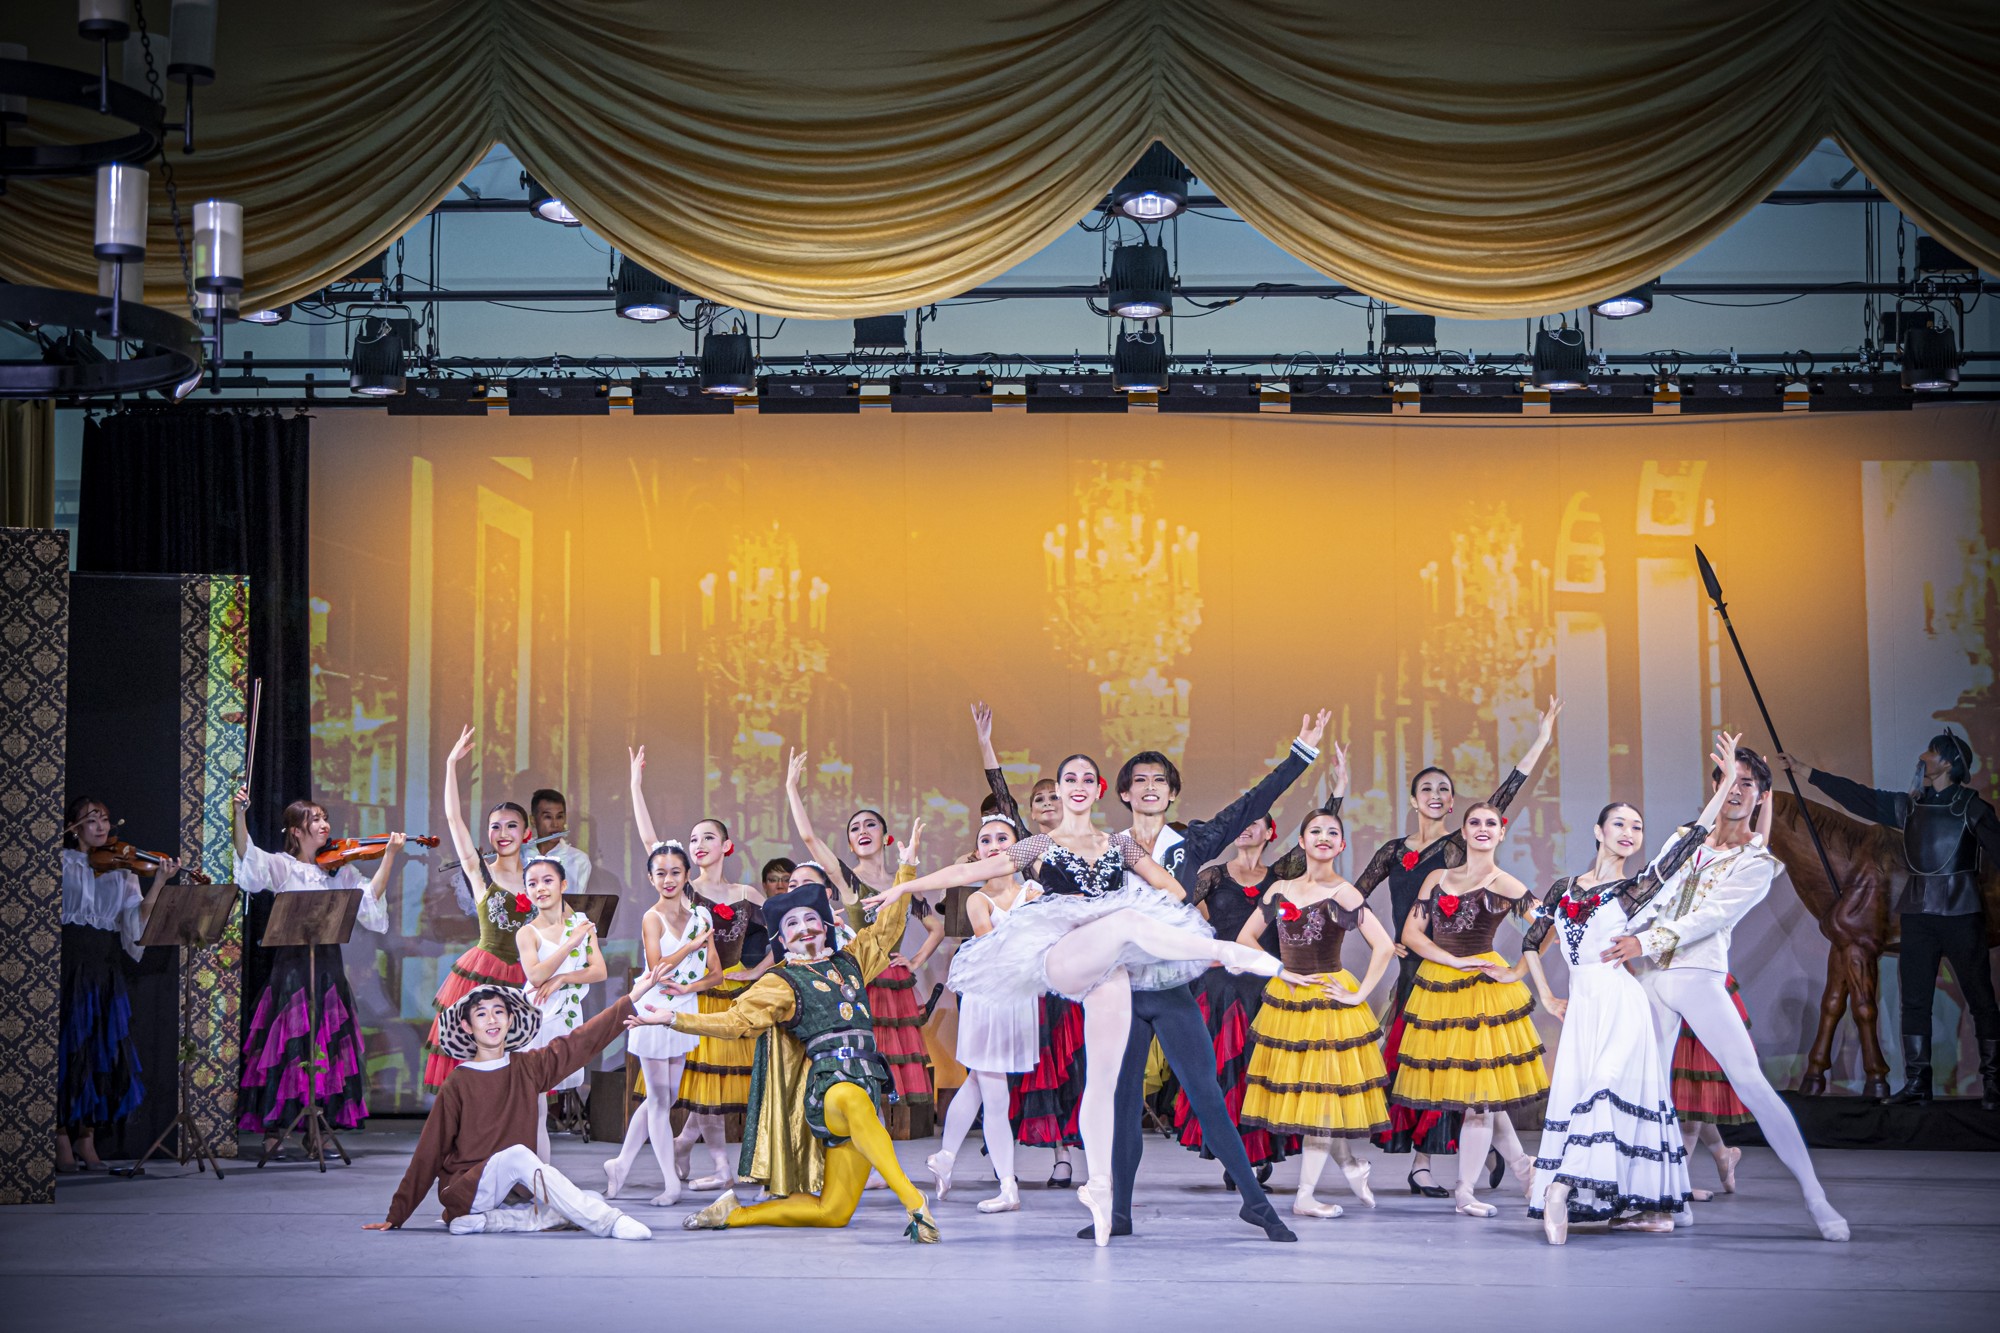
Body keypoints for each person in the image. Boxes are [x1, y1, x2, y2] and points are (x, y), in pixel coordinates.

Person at [863, 753, 1284, 1246]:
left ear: (1098, 789)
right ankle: (1228, 951)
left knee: (1105, 1086)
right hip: (1061, 954)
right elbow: (966, 872)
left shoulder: (1120, 845)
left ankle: (1104, 1194)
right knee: (1124, 923)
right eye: (1069, 778)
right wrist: (905, 886)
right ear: (1060, 789)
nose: (1078, 784)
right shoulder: (1040, 844)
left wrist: (1145, 910)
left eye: (1087, 777)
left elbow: (1171, 889)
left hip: (1114, 968)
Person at [1091, 712, 1333, 1242]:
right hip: (1121, 990)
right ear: (1125, 794)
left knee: (1206, 1094)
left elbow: (1251, 803)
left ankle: (1256, 1204)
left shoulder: (1192, 844)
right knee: (1123, 1105)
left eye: (1159, 780)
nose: (1150, 787)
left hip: (1171, 988)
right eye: (1140, 780)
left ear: (1172, 792)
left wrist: (1300, 753)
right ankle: (1119, 1214)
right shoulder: (1104, 848)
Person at [1608, 744, 1851, 1242]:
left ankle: (1816, 1197)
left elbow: (1710, 916)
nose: (1736, 790)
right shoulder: (1685, 839)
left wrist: (1645, 940)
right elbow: (1655, 891)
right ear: (1714, 787)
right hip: (1652, 979)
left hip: (1698, 977)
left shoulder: (1757, 862)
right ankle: (1669, 1198)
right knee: (1649, 1093)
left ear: (1761, 796)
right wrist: (1619, 930)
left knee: (1752, 1084)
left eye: (1747, 783)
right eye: (1727, 779)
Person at [1324, 697, 1561, 1197]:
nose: (1435, 795)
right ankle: (1459, 1159)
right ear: (1413, 800)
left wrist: (1540, 740)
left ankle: (1461, 1158)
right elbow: (1351, 898)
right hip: (1417, 969)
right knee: (1424, 1068)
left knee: (1461, 1066)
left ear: (1454, 805)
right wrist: (1387, 940)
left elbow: (1505, 797)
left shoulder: (1460, 846)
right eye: (1426, 789)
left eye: (1444, 790)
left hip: (1462, 974)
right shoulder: (1393, 851)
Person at [662, 844, 942, 1241]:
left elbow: (888, 928)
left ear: (826, 925)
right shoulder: (781, 981)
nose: (805, 927)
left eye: (811, 918)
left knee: (832, 1213)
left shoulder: (851, 961)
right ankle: (915, 1203)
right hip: (829, 1087)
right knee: (851, 1100)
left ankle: (734, 1214)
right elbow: (735, 1021)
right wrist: (673, 1019)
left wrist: (907, 867)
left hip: (866, 1080)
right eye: (793, 924)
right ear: (781, 938)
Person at [1514, 770, 1727, 1244]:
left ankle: (1560, 1188)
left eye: (1637, 827)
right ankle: (1637, 1205)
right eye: (1620, 824)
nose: (1630, 833)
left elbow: (1688, 844)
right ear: (1598, 830)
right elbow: (1532, 942)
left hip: (1621, 1003)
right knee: (1586, 1097)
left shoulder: (1633, 890)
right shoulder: (1564, 887)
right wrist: (1546, 995)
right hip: (1583, 1010)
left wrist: (1726, 783)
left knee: (1606, 1090)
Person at [366, 964, 671, 1239]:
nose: (491, 1020)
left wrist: (632, 998)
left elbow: (581, 1041)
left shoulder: (528, 1067)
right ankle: (609, 1222)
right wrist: (397, 1214)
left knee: (590, 1197)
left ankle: (495, 1221)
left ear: (510, 1019)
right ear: (467, 1027)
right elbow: (429, 1151)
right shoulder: (458, 1082)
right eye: (481, 1014)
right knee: (520, 1157)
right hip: (467, 1191)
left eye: (498, 1012)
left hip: (513, 1194)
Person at [1778, 732, 2000, 1107]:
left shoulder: (1973, 808)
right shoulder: (1909, 807)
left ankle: (1994, 1083)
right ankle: (1917, 1084)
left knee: (1981, 1000)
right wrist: (1805, 771)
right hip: (1917, 916)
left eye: (1931, 752)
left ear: (1948, 763)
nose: (1923, 756)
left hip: (1961, 913)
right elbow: (1858, 796)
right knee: (1914, 1002)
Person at [1390, 801, 1549, 1217]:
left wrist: (1517, 971)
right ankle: (1524, 1168)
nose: (1482, 828)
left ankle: (1465, 1191)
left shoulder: (1506, 883)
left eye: (1490, 823)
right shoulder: (1437, 878)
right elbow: (1412, 933)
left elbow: (1547, 927)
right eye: (1474, 822)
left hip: (1483, 994)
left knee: (1480, 1101)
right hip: (1441, 988)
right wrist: (1452, 961)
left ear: (1501, 833)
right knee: (1481, 1096)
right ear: (1462, 832)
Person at [1235, 810, 1396, 1219]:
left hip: (1327, 1002)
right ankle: (1352, 1165)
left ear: (1341, 845)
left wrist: (1359, 995)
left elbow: (1384, 946)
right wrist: (1279, 969)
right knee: (1314, 1097)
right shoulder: (1281, 889)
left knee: (1321, 1097)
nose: (1324, 837)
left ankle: (1305, 1195)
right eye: (1315, 831)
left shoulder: (1344, 892)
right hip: (1289, 1001)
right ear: (1302, 841)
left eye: (1332, 832)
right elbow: (1245, 937)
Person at [628, 744, 770, 1185]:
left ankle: (689, 1148)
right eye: (693, 840)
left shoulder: (746, 894)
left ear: (726, 845)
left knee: (717, 1082)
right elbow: (652, 844)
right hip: (693, 995)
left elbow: (783, 933)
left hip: (730, 994)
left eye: (707, 837)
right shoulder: (685, 890)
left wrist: (757, 971)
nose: (698, 845)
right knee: (701, 1081)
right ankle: (712, 1162)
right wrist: (635, 785)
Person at [786, 755, 945, 1138]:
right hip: (857, 980)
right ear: (850, 843)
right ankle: (858, 1141)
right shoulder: (847, 881)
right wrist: (791, 788)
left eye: (870, 824)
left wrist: (914, 961)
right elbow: (810, 839)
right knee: (858, 1062)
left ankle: (874, 1144)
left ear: (885, 836)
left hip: (892, 985)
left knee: (886, 1067)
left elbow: (936, 928)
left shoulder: (904, 883)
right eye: (854, 827)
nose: (862, 830)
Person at [976, 703, 1080, 1188]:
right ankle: (1005, 1164)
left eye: (1054, 796)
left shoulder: (1086, 847)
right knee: (1009, 1070)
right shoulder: (1023, 850)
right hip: (1018, 975)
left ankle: (1064, 1157)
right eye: (1038, 799)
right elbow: (1002, 796)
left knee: (1058, 1068)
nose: (1046, 804)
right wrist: (986, 745)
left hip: (1062, 973)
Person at [928, 813, 1043, 1213]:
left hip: (1017, 999)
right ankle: (1008, 1186)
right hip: (988, 999)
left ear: (1017, 847)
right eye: (986, 840)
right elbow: (995, 947)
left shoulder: (1034, 890)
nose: (994, 846)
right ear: (977, 853)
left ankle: (945, 1158)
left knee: (978, 1081)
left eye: (1002, 838)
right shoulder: (977, 900)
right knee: (994, 1092)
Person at [56, 797, 175, 1171]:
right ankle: (59, 1135)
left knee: (99, 1053)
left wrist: (159, 883)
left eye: (105, 820)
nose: (101, 827)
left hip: (104, 968)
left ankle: (86, 1138)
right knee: (67, 1051)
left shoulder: (122, 870)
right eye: (91, 820)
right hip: (68, 966)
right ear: (74, 827)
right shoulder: (59, 863)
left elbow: (135, 918)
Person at [424, 726, 538, 1092]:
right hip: (483, 973)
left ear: (526, 833)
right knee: (477, 1067)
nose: (503, 833)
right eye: (495, 827)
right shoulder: (479, 871)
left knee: (520, 1071)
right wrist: (449, 765)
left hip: (528, 976)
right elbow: (453, 819)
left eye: (512, 826)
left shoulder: (539, 878)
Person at [603, 840, 715, 1206]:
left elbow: (713, 971)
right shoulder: (651, 917)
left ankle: (620, 1163)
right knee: (658, 1100)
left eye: (675, 872)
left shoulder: (701, 916)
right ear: (651, 878)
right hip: (652, 1009)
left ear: (687, 875)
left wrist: (690, 985)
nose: (669, 879)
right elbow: (657, 967)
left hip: (682, 1010)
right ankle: (671, 1184)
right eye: (661, 873)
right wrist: (691, 947)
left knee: (665, 1098)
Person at [514, 856, 606, 1161]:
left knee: (542, 1100)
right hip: (535, 1018)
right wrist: (570, 943)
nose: (540, 888)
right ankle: (536, 1172)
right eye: (532, 883)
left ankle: (540, 1173)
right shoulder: (528, 933)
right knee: (535, 1105)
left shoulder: (582, 924)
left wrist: (564, 978)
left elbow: (599, 971)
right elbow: (535, 976)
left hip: (565, 1017)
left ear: (563, 884)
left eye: (547, 881)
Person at [529, 787, 592, 894]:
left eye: (559, 817)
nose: (555, 824)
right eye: (548, 817)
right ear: (533, 820)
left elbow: (576, 903)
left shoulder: (579, 860)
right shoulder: (520, 855)